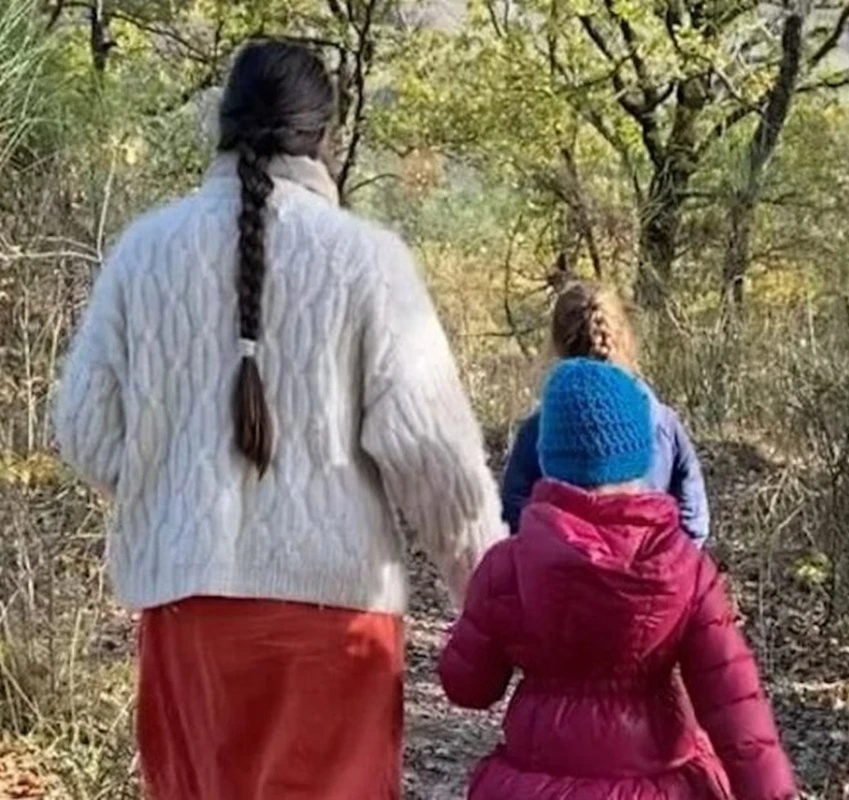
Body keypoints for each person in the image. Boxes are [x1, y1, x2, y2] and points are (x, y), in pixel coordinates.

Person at [53, 40, 504, 800]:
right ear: (323, 136)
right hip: (335, 625)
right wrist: (493, 604)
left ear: (224, 126)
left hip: (186, 618)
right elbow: (437, 465)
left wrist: (167, 488)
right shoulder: (368, 261)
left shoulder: (143, 253)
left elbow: (85, 427)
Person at [440, 358, 799, 800]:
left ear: (547, 457)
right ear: (640, 457)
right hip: (657, 784)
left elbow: (468, 687)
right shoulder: (683, 568)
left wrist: (470, 626)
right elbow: (734, 702)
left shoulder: (505, 567)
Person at [501, 281, 710, 544]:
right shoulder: (663, 423)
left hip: (557, 568)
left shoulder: (538, 430)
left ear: (557, 342)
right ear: (623, 334)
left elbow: (513, 515)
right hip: (652, 566)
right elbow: (694, 521)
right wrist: (668, 563)